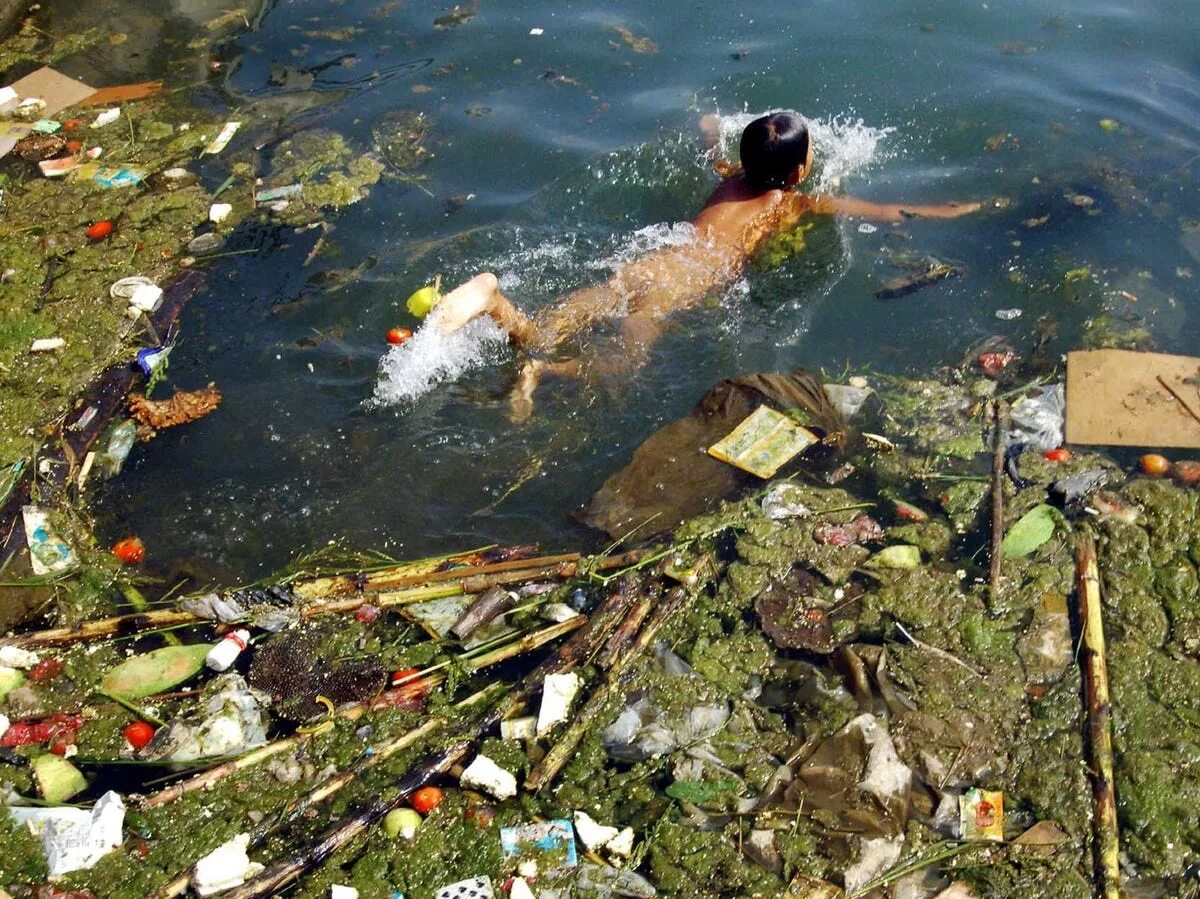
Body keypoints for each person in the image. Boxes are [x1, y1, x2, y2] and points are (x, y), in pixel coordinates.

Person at [430, 112, 981, 419]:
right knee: (620, 368)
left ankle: (493, 301)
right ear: (797, 172)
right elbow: (886, 211)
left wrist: (708, 125)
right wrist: (950, 210)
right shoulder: (792, 204)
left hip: (649, 263)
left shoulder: (728, 177)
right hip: (676, 290)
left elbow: (710, 138)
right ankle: (544, 371)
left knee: (549, 326)